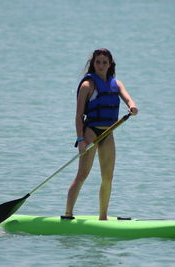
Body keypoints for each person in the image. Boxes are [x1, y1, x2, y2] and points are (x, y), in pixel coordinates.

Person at [63, 48, 138, 220]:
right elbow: (78, 115)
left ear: (110, 64)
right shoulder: (87, 85)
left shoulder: (116, 84)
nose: (101, 65)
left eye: (105, 62)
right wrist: (80, 140)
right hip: (91, 132)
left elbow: (128, 99)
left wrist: (132, 107)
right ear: (93, 64)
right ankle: (68, 214)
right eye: (98, 62)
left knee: (107, 178)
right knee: (82, 175)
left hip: (108, 133)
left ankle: (103, 217)